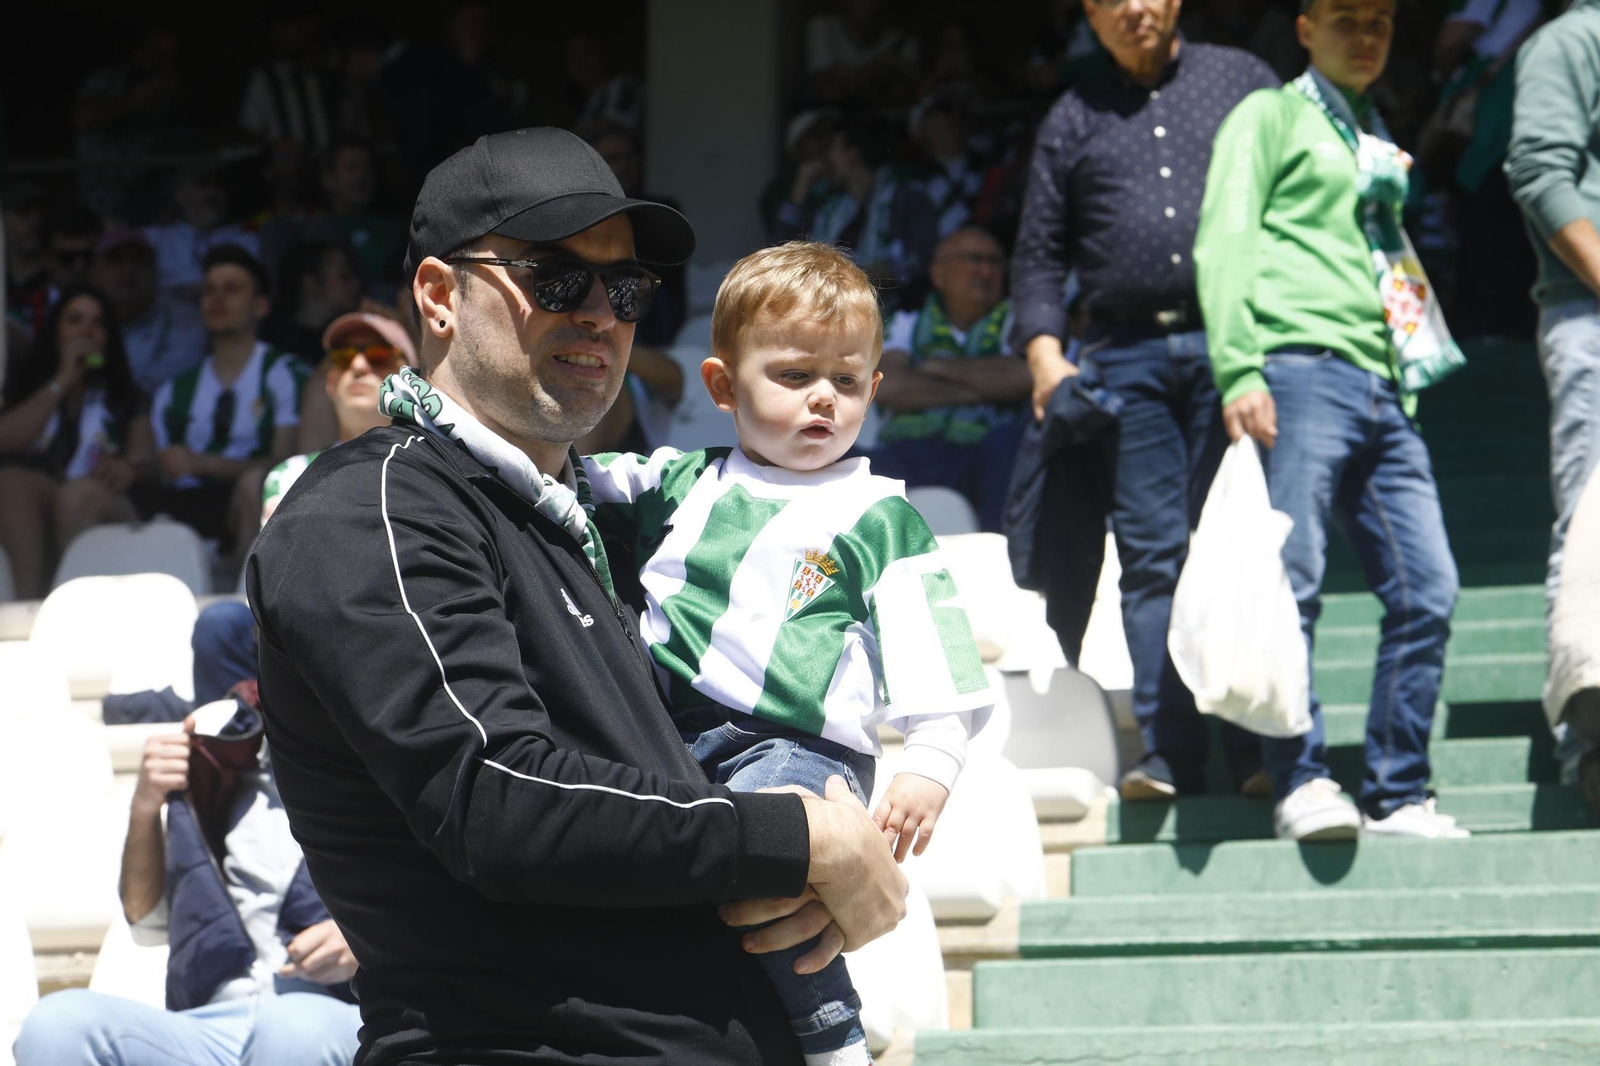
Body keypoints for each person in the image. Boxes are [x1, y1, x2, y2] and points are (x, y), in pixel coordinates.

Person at [247, 127, 907, 1065]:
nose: (600, 313)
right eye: (556, 278)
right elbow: (496, 798)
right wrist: (803, 837)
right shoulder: (372, 507)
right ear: (438, 295)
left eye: (626, 288)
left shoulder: (592, 521)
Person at [576, 241, 993, 1066]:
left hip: (798, 750)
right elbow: (553, 477)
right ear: (723, 387)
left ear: (874, 389)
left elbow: (936, 651)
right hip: (669, 743)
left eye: (847, 381)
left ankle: (834, 1039)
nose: (823, 399)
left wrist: (931, 764)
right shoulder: (675, 482)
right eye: (794, 375)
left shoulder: (880, 516)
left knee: (767, 847)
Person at [1193, 0, 1464, 840]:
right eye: (1346, 18)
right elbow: (1226, 237)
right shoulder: (1271, 113)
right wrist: (1240, 368)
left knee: (1430, 588)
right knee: (1294, 582)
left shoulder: (1368, 131)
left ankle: (1398, 790)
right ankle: (1300, 779)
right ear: (1306, 29)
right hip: (1298, 365)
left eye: (1379, 21)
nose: (1366, 35)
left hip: (1383, 379)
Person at [1010, 0, 1279, 801]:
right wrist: (1044, 353)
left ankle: (1259, 750)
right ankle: (1170, 757)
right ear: (1090, 15)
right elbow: (1039, 251)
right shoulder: (1072, 115)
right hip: (1124, 358)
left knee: (1239, 545)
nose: (1135, 8)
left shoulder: (1242, 80)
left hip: (1237, 348)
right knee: (1153, 559)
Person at [12, 706, 362, 1066]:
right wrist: (146, 806)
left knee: (291, 1028)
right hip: (211, 1028)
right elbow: (145, 923)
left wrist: (365, 942)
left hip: (345, 1015)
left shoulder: (383, 760)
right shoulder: (219, 752)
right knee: (56, 1025)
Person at [1506, 0, 1600, 781]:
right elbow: (1539, 173)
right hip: (1590, 315)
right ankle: (1588, 742)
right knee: (1593, 530)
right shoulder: (1572, 40)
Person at [134, 246, 306, 561]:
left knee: (255, 485)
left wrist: (206, 464)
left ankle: (250, 588)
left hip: (244, 501)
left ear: (260, 306)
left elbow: (287, 462)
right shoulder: (173, 391)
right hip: (180, 503)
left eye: (231, 289)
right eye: (209, 290)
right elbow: (159, 468)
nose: (217, 299)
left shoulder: (288, 375)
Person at [869, 226, 1032, 531]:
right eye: (973, 259)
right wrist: (987, 387)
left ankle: (998, 552)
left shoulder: (1019, 321)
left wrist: (934, 367)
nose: (985, 271)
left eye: (994, 262)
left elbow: (1024, 378)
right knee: (842, 460)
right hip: (907, 450)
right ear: (938, 273)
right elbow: (887, 386)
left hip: (979, 452)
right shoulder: (908, 322)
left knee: (1009, 443)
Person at [0, 286, 154, 599]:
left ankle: (80, 604)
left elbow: (148, 461)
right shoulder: (27, 384)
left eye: (97, 323)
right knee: (11, 483)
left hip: (102, 499)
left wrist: (128, 467)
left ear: (109, 338)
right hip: (42, 494)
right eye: (74, 320)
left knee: (75, 497)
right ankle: (24, 606)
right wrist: (62, 380)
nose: (86, 330)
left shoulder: (127, 394)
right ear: (54, 332)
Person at [773, 118, 938, 312]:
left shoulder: (907, 199)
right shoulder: (832, 207)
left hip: (894, 315)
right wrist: (800, 187)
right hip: (832, 313)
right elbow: (783, 254)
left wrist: (843, 278)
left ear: (852, 154)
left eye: (831, 150)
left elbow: (918, 262)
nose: (826, 160)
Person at [263, 310, 407, 519]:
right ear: (330, 383)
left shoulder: (433, 471)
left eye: (378, 354)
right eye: (344, 357)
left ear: (407, 378)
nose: (358, 366)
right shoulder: (291, 476)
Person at [93, 227, 207, 395]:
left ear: (155, 270)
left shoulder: (185, 317)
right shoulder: (82, 319)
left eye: (139, 260)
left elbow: (177, 375)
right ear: (95, 272)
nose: (128, 270)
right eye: (116, 261)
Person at [144, 169, 261, 302]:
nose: (213, 192)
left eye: (219, 185)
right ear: (180, 195)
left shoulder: (248, 240)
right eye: (203, 184)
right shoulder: (154, 239)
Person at [259, 242, 362, 364]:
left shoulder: (337, 337)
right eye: (344, 275)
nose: (355, 283)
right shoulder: (270, 343)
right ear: (310, 283)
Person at [805, 0, 921, 105]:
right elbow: (828, 94)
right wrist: (884, 62)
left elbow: (902, 97)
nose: (874, 4)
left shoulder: (904, 41)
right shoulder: (823, 28)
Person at [47, 207, 106, 295]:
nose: (79, 266)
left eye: (87, 255)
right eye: (68, 258)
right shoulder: (31, 300)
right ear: (46, 258)